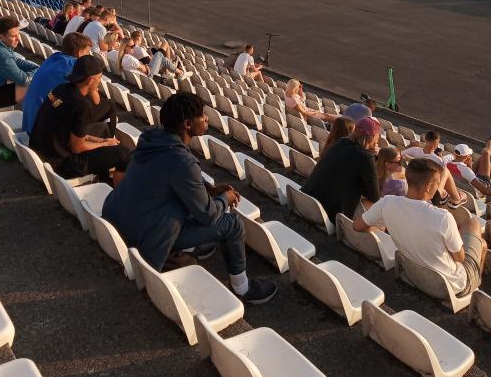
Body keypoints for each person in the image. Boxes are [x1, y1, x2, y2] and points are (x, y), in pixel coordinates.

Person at [102, 93, 278, 304]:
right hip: (145, 236)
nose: (207, 119)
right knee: (233, 223)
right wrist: (225, 197)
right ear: (187, 124)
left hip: (120, 220)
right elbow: (208, 215)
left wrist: (210, 189)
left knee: (191, 204)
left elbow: (172, 178)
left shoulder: (152, 139)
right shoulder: (182, 161)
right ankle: (243, 287)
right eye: (202, 116)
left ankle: (187, 247)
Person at [354, 158, 486, 297]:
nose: (438, 188)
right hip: (449, 287)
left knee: (475, 241)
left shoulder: (386, 202)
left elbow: (357, 226)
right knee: (474, 225)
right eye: (437, 184)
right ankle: (473, 289)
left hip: (413, 275)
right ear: (428, 187)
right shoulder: (443, 217)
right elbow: (460, 258)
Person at [29, 56, 131, 183]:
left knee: (103, 130)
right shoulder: (82, 105)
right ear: (90, 80)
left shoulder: (60, 89)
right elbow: (77, 147)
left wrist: (102, 141)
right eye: (99, 78)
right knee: (125, 154)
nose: (99, 82)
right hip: (60, 164)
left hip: (41, 151)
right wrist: (105, 144)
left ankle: (103, 177)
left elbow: (72, 134)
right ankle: (116, 192)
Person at [302, 116, 381, 220]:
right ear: (373, 136)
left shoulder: (340, 142)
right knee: (377, 206)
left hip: (306, 198)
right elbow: (374, 196)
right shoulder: (366, 157)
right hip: (329, 213)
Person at [22, 31, 94, 135]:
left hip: (29, 119)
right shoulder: (74, 66)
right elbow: (87, 94)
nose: (88, 55)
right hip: (40, 128)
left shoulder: (54, 57)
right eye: (87, 52)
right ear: (79, 53)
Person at [402, 131, 467, 208]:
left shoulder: (413, 150)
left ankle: (444, 195)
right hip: (430, 189)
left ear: (425, 140)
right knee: (444, 172)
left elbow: (398, 155)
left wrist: (410, 154)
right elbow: (442, 180)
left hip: (413, 181)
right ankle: (454, 197)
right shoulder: (438, 160)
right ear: (437, 144)